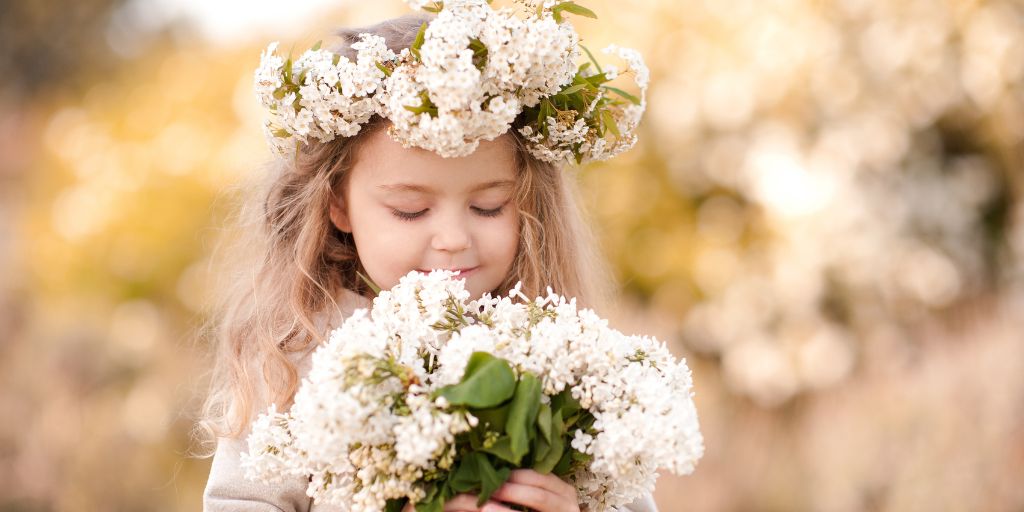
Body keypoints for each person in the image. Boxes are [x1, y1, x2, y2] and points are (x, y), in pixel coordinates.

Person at [197, 2, 656, 511]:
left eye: (489, 206)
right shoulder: (295, 357)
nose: (453, 238)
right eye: (411, 210)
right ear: (337, 205)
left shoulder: (565, 362)